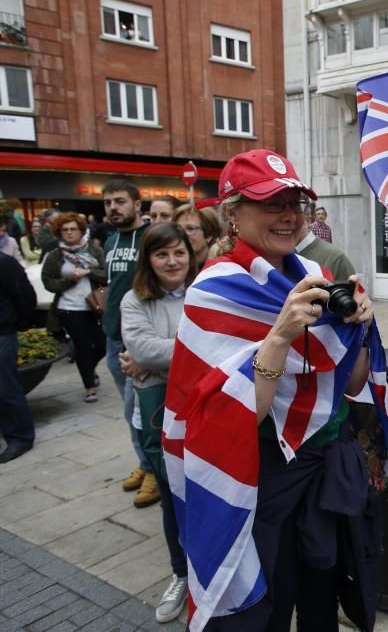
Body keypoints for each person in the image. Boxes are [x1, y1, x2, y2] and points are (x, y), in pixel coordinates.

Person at [165, 149, 382, 631]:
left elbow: (350, 384)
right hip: (262, 481)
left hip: (324, 474)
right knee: (270, 607)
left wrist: (361, 331)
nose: (288, 215)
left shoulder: (317, 279)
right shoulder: (215, 289)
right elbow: (236, 418)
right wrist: (280, 336)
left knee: (323, 604)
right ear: (232, 214)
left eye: (295, 202)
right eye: (271, 203)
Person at [120, 223, 197, 621]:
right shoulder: (135, 301)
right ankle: (180, 573)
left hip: (203, 413)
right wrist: (199, 346)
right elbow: (143, 349)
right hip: (157, 416)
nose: (172, 261)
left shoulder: (205, 291)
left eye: (179, 252)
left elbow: (154, 356)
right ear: (148, 259)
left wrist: (157, 360)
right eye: (162, 254)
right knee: (171, 498)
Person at [101, 177, 157, 506]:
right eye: (108, 203)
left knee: (138, 407)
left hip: (138, 340)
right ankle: (144, 462)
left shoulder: (149, 238)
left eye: (119, 201)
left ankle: (152, 468)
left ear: (137, 204)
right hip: (113, 336)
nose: (113, 208)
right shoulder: (109, 241)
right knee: (129, 412)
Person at [41, 212, 107, 404]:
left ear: (81, 231)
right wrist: (69, 280)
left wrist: (89, 272)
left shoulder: (94, 251)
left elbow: (106, 275)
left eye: (73, 229)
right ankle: (89, 387)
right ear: (59, 233)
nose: (69, 233)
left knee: (102, 345)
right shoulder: (55, 255)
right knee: (83, 347)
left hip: (95, 305)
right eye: (65, 230)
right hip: (68, 308)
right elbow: (48, 283)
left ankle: (89, 368)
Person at [0, 252, 37, 464]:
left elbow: (24, 295)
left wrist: (20, 324)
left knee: (6, 389)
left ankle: (20, 438)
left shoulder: (4, 262)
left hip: (3, 334)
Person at [171, 203, 223, 270]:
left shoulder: (220, 267)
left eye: (190, 229)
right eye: (178, 228)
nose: (182, 234)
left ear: (209, 235)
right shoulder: (171, 265)